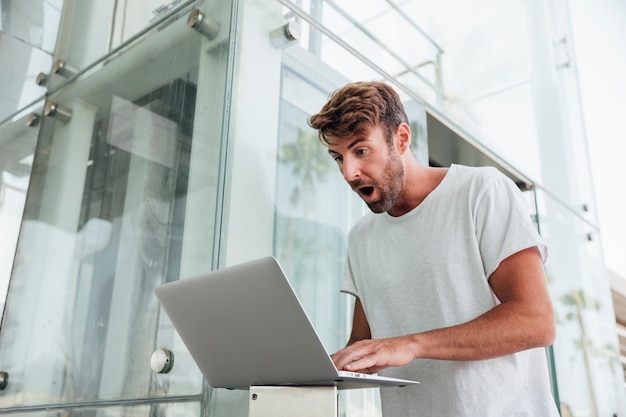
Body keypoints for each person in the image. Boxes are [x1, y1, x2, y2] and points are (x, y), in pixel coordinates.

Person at [308, 81, 559, 416]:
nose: (349, 172)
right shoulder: (361, 237)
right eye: (338, 157)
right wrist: (313, 368)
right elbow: (366, 346)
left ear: (401, 139)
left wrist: (411, 345)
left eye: (361, 151)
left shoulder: (480, 192)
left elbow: (536, 321)